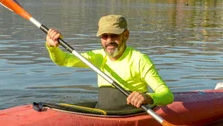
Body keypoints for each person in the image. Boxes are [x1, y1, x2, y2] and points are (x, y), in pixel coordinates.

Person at [45, 14, 173, 111]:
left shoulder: (139, 60)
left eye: (114, 35)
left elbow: (167, 95)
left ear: (126, 35)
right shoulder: (97, 56)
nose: (109, 41)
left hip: (128, 115)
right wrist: (52, 47)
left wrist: (148, 97)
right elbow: (63, 60)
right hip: (103, 112)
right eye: (104, 36)